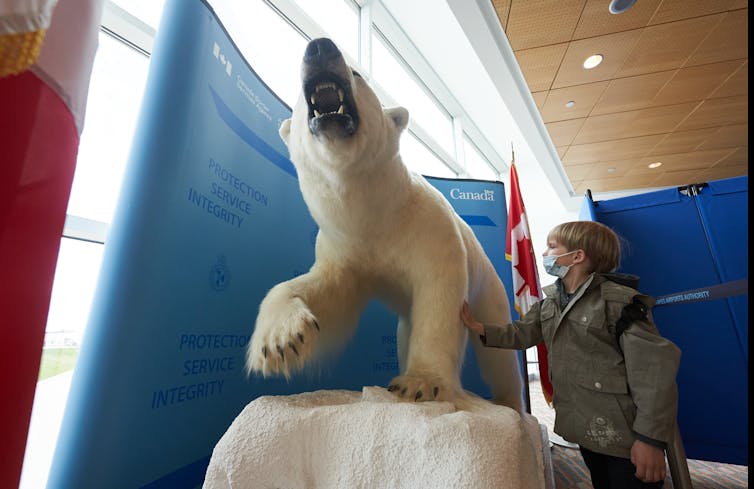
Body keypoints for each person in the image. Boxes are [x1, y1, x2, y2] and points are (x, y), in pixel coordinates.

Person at [460, 220, 681, 489]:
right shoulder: (550, 302)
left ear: (577, 256)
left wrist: (649, 439)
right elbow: (522, 333)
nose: (544, 254)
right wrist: (479, 328)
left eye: (552, 247)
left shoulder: (618, 302)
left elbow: (653, 373)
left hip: (624, 432)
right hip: (584, 427)